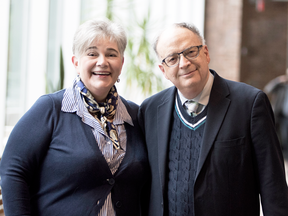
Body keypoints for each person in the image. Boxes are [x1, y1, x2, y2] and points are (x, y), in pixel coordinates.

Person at [0, 19, 149, 216]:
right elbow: (13, 171)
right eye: (92, 53)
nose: (102, 61)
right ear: (76, 63)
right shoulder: (51, 108)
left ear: (121, 64)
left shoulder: (135, 116)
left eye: (111, 54)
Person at [138, 22, 288, 216]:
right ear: (163, 70)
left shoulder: (249, 104)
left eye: (190, 51)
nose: (183, 63)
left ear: (206, 53)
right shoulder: (150, 110)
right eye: (173, 58)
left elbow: (273, 187)